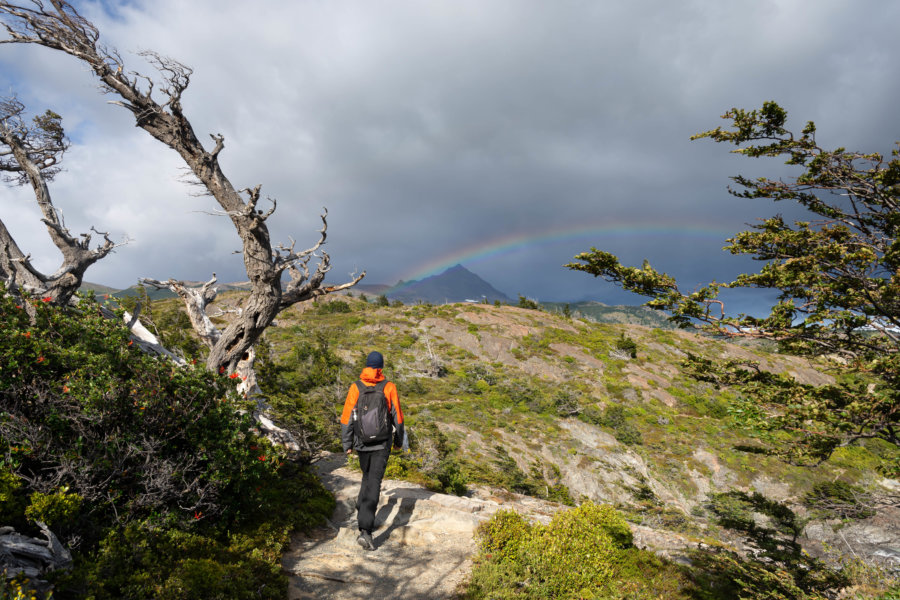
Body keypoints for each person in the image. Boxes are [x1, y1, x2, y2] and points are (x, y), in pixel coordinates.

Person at [340, 350, 405, 551]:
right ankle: (365, 530)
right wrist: (398, 441)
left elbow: (346, 418)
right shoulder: (389, 387)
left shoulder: (356, 387)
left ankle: (362, 510)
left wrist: (347, 444)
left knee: (367, 477)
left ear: (367, 366)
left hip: (362, 442)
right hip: (382, 443)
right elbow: (398, 417)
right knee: (373, 482)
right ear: (381, 367)